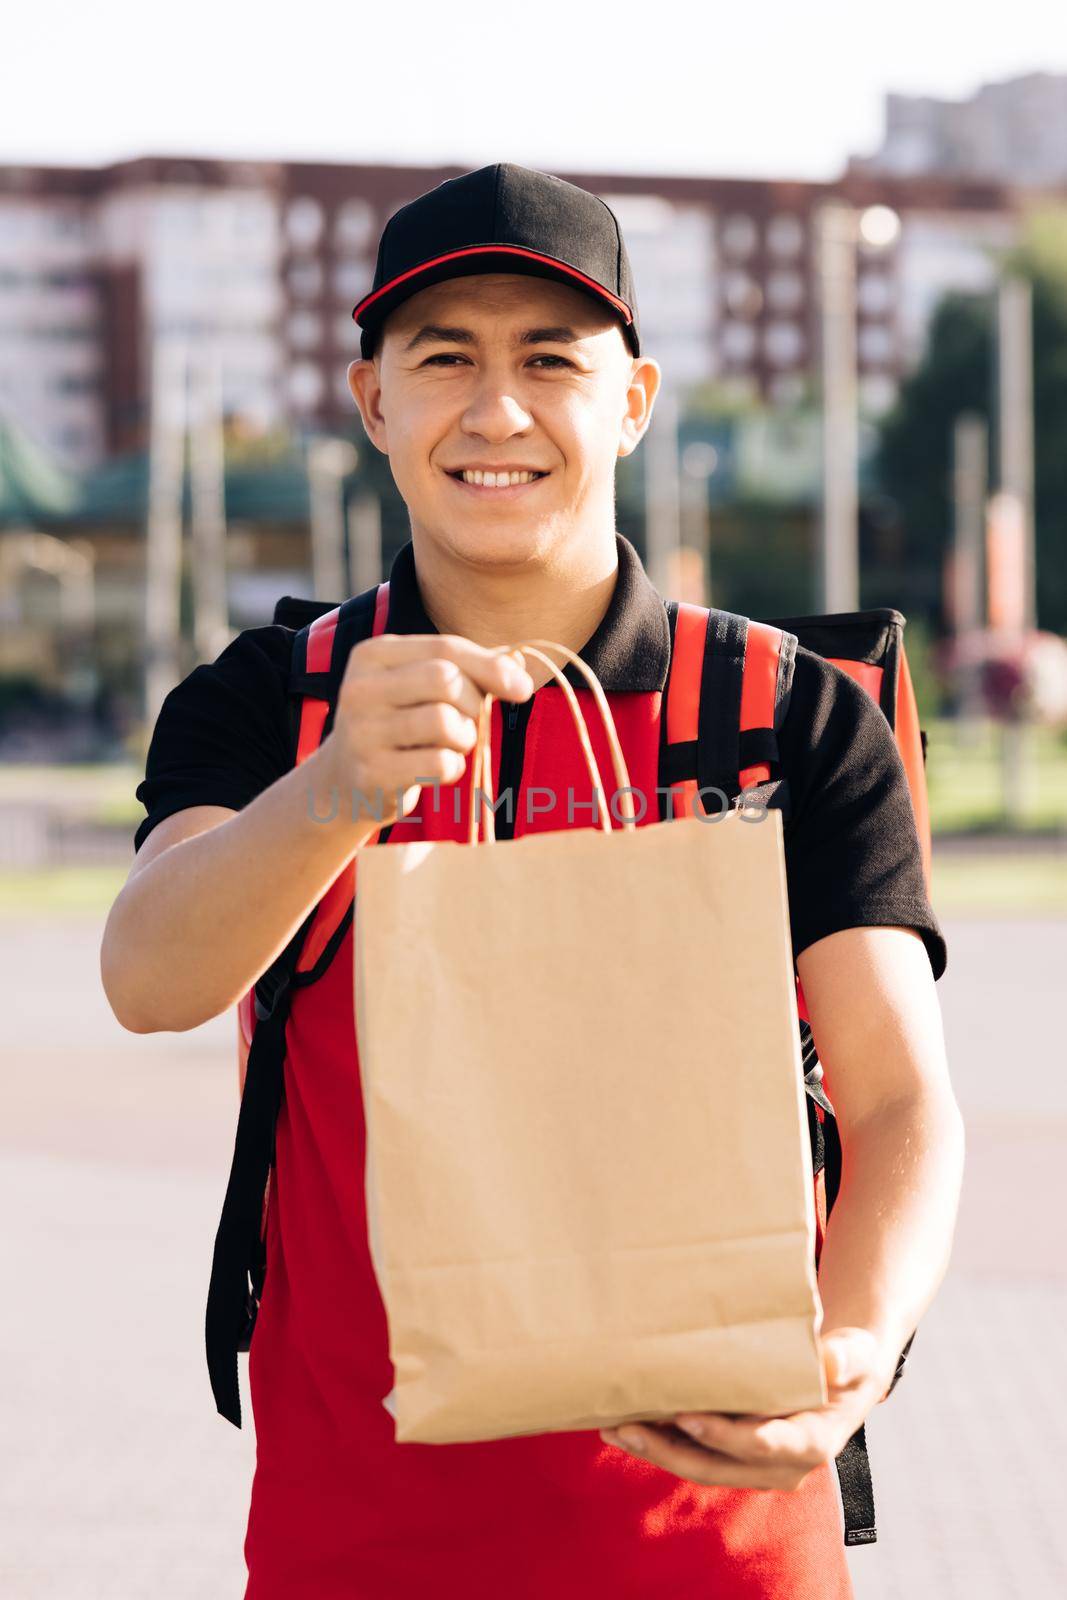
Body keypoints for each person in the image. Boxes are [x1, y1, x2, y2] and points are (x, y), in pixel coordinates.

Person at [101, 163, 964, 1599]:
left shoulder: (788, 712)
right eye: (444, 359)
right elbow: (149, 979)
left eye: (550, 359)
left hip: (724, 1543)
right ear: (374, 404)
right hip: (357, 1544)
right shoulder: (276, 702)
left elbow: (896, 1098)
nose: (495, 409)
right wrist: (334, 796)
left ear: (631, 401)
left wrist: (854, 1350)